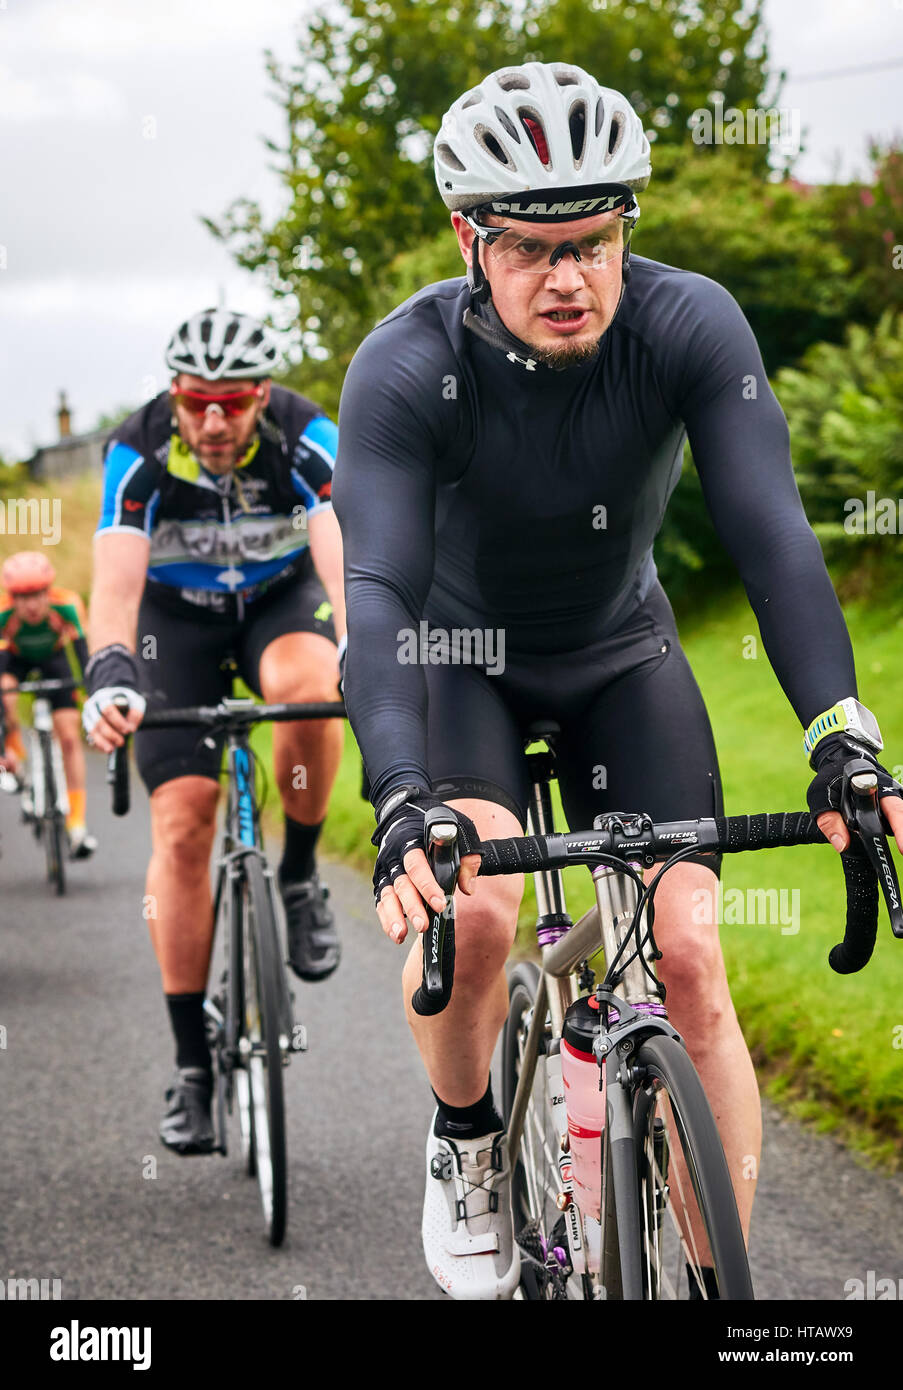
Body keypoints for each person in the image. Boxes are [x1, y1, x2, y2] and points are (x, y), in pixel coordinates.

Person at [333, 61, 903, 1299]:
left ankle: (718, 1289)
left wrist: (842, 735)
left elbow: (772, 536)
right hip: (459, 661)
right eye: (534, 248)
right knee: (476, 913)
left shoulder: (691, 322)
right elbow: (373, 589)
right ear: (466, 237)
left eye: (596, 240)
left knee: (691, 959)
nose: (571, 277)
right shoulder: (401, 364)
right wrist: (397, 796)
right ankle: (472, 1139)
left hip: (620, 654)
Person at [83, 307, 346, 1155]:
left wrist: (364, 642)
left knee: (309, 686)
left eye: (234, 402)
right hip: (174, 626)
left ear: (261, 395)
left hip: (278, 603)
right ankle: (193, 1066)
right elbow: (116, 584)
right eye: (198, 402)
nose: (215, 421)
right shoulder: (139, 448)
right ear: (175, 395)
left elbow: (348, 547)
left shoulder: (307, 434)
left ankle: (300, 877)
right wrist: (111, 671)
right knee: (185, 817)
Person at [0, 551, 98, 857]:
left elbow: (84, 656)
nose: (31, 605)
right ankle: (15, 752)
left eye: (37, 595)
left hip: (54, 660)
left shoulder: (67, 604)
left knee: (69, 736)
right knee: (5, 690)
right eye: (22, 597)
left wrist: (92, 692)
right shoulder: (3, 614)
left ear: (48, 591)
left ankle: (77, 825)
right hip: (15, 660)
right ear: (11, 598)